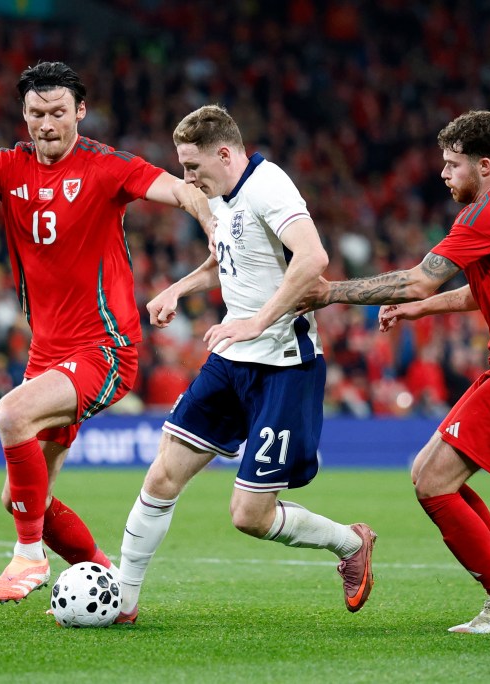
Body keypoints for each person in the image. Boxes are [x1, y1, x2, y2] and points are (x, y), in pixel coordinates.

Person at [0, 61, 213, 603]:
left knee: (10, 413)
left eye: (56, 112)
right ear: (23, 115)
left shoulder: (106, 166)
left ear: (79, 111)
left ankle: (28, 558)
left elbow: (179, 190)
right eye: (35, 113)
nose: (46, 124)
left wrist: (212, 222)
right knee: (21, 497)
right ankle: (112, 586)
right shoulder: (7, 166)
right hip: (47, 353)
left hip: (105, 348)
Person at [298, 110, 490, 634]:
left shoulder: (486, 214)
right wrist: (419, 311)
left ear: (486, 166)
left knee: (433, 482)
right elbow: (482, 290)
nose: (444, 174)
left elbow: (417, 280)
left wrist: (330, 292)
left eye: (453, 165)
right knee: (426, 471)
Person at [115, 104, 377, 624]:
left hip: (283, 366)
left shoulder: (268, 186)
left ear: (226, 153)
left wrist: (257, 322)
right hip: (230, 360)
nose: (189, 179)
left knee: (249, 517)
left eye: (193, 167)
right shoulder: (227, 199)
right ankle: (123, 598)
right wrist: (180, 286)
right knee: (163, 474)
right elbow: (228, 261)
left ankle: (350, 543)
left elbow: (312, 259)